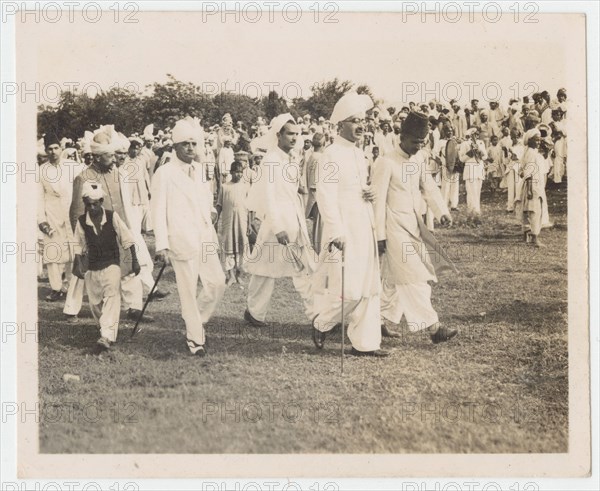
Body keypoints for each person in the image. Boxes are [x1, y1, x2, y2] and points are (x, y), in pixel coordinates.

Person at [311, 92, 389, 357]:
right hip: (344, 228)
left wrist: (369, 193)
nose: (361, 126)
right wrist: (336, 231)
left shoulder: (359, 154)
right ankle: (322, 322)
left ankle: (365, 343)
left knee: (369, 287)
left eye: (363, 121)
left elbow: (359, 187)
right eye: (355, 121)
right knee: (350, 288)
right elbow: (325, 195)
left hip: (364, 224)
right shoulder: (330, 155)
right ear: (340, 124)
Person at [372, 111, 457, 344]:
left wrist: (441, 212)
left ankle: (376, 319)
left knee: (391, 279)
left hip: (413, 226)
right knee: (414, 278)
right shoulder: (385, 162)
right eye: (414, 141)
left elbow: (428, 187)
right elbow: (377, 201)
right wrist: (379, 235)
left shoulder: (418, 160)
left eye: (422, 142)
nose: (418, 146)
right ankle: (433, 328)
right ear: (402, 136)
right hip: (392, 229)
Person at [151, 117, 226, 356]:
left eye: (195, 143)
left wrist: (212, 212)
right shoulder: (164, 173)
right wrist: (161, 245)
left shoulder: (199, 170)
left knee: (217, 283)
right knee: (188, 291)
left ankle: (196, 320)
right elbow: (157, 210)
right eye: (186, 144)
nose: (191, 148)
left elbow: (205, 198)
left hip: (204, 237)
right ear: (175, 146)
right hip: (181, 239)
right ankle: (195, 338)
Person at [243, 114, 315, 327]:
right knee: (265, 271)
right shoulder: (272, 160)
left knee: (304, 267)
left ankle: (318, 315)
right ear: (279, 135)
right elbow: (269, 196)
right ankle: (255, 313)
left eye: (297, 134)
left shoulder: (292, 158)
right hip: (278, 224)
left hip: (294, 219)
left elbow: (293, 192)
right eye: (290, 134)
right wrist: (278, 227)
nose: (294, 138)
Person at [72, 182, 140, 350]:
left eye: (95, 204)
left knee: (111, 297)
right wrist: (79, 266)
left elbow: (128, 239)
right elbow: (78, 246)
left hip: (111, 263)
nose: (92, 208)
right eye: (88, 205)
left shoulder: (112, 216)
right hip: (92, 266)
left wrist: (135, 261)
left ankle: (107, 336)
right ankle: (103, 326)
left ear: (101, 202)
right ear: (85, 204)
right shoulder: (82, 221)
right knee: (95, 302)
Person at [38, 132, 82, 301]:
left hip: (71, 213)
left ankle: (72, 287)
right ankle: (56, 288)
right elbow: (38, 197)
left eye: (56, 148)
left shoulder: (74, 166)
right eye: (50, 149)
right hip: (52, 215)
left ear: (61, 148)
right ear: (45, 151)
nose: (53, 152)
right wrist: (41, 220)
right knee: (53, 253)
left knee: (73, 250)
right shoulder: (41, 171)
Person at [216, 160, 249, 286]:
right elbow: (219, 205)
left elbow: (250, 207)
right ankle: (230, 276)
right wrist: (215, 220)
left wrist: (249, 224)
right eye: (236, 172)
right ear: (231, 172)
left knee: (241, 246)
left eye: (241, 172)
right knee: (228, 246)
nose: (239, 175)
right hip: (228, 222)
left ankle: (239, 274)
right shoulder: (225, 187)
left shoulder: (246, 186)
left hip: (242, 222)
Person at [515, 128, 548, 247]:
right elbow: (528, 173)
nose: (538, 142)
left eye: (539, 140)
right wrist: (529, 189)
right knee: (534, 211)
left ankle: (526, 235)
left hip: (533, 185)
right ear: (529, 141)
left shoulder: (529, 152)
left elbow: (521, 171)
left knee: (528, 210)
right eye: (536, 140)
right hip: (532, 186)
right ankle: (535, 238)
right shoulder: (531, 153)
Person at [460, 127, 488, 224]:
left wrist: (480, 151)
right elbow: (461, 159)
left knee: (477, 193)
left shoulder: (480, 143)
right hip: (470, 170)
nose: (476, 136)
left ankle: (477, 215)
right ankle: (471, 216)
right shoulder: (465, 144)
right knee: (471, 193)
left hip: (479, 170)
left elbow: (485, 156)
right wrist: (469, 153)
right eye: (473, 134)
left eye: (477, 134)